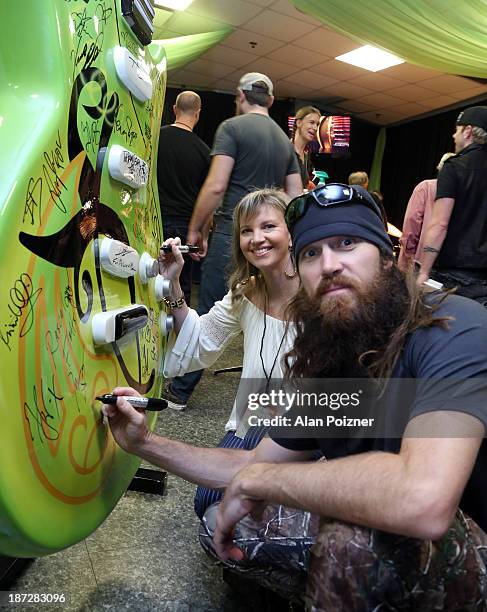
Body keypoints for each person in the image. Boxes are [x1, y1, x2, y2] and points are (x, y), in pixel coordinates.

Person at [103, 184, 487, 609]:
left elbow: (424, 499)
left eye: (347, 243)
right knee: (218, 517)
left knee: (347, 545)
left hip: (469, 546)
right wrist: (144, 443)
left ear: (385, 255)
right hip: (377, 519)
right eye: (311, 253)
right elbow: (252, 463)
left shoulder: (450, 328)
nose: (329, 265)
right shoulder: (335, 354)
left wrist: (265, 481)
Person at [164, 72, 301, 410]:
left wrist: (196, 229)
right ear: (269, 100)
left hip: (234, 231)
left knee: (216, 307)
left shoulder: (232, 128)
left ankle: (179, 390)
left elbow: (216, 185)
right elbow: (297, 198)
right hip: (278, 241)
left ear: (240, 96)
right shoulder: (285, 141)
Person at [160, 188, 299, 516]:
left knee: (273, 508)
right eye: (246, 231)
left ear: (292, 234)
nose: (256, 238)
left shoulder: (322, 292)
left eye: (268, 227)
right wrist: (173, 282)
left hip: (309, 431)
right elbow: (202, 340)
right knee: (209, 501)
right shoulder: (245, 292)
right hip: (253, 424)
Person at [417, 106, 487, 306]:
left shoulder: (454, 167)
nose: (453, 135)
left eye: (457, 130)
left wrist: (423, 271)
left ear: (468, 131)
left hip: (455, 276)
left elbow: (439, 224)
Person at [156, 91, 210, 305]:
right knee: (180, 284)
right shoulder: (204, 151)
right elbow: (207, 200)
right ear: (198, 114)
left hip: (154, 220)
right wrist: (202, 235)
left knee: (151, 276)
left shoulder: (154, 139)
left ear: (174, 109)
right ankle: (179, 333)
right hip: (185, 228)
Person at [398, 153, 455, 270]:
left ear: (440, 168)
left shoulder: (426, 187)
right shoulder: (462, 193)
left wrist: (408, 253)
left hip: (418, 260)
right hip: (447, 264)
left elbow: (412, 220)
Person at [291, 106, 320, 190]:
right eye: (311, 122)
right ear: (299, 123)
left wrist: (308, 184)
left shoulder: (306, 155)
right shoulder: (285, 150)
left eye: (317, 124)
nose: (315, 128)